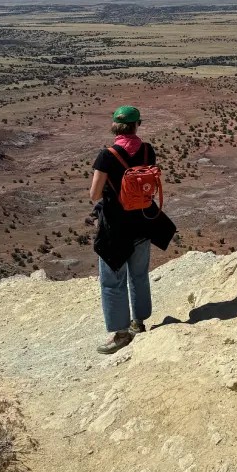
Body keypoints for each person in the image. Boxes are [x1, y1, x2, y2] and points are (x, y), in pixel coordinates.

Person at [89, 105, 175, 354]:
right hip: (143, 223)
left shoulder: (107, 155)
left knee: (112, 281)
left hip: (115, 228)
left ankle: (121, 334)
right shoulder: (148, 150)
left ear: (115, 126)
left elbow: (94, 193)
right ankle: (140, 323)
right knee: (139, 275)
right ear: (137, 125)